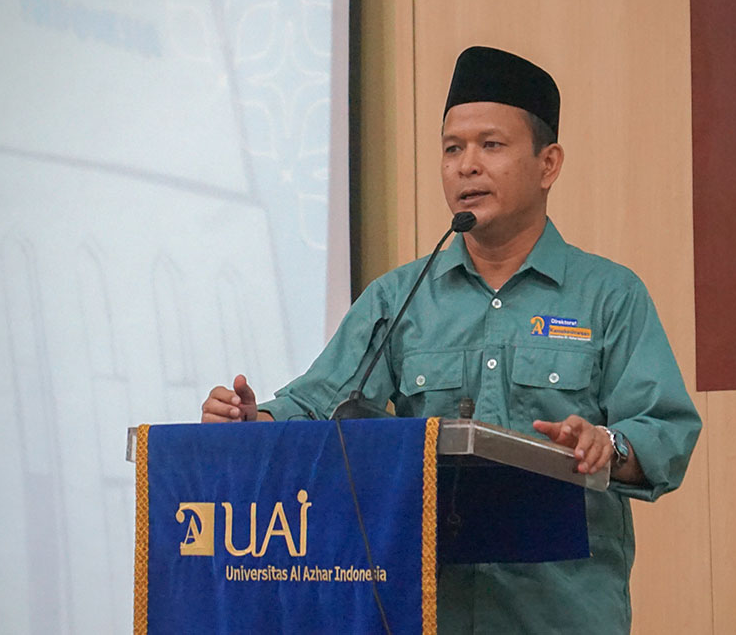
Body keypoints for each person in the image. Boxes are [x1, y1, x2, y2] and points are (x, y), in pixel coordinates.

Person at [202, 46, 701, 633]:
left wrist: (606, 446)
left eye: (491, 145)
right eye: (452, 148)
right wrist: (253, 422)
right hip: (426, 612)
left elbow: (666, 430)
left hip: (560, 616)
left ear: (548, 164)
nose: (467, 166)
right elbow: (320, 403)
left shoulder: (609, 296)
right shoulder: (400, 297)